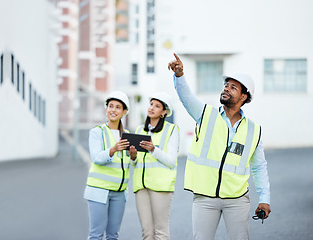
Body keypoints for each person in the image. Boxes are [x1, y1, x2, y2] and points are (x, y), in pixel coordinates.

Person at [168, 53, 271, 240]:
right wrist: (179, 75)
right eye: (226, 85)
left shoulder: (253, 130)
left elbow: (259, 167)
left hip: (237, 199)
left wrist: (264, 199)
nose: (226, 89)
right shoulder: (205, 114)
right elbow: (186, 97)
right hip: (205, 198)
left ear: (244, 96)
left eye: (233, 87)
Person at [128, 92, 180, 240]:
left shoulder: (171, 130)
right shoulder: (139, 130)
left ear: (164, 112)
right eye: (151, 104)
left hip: (161, 187)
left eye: (157, 106)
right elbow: (135, 162)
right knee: (146, 233)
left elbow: (171, 161)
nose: (152, 108)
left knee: (161, 232)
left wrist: (153, 149)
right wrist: (132, 156)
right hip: (141, 187)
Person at [84, 91, 133, 240]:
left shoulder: (128, 135)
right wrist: (113, 149)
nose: (113, 110)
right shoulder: (97, 132)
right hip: (99, 190)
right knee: (96, 235)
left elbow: (128, 162)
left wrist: (133, 155)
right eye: (110, 106)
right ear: (106, 109)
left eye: (118, 107)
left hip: (119, 192)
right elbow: (96, 158)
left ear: (124, 112)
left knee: (113, 236)